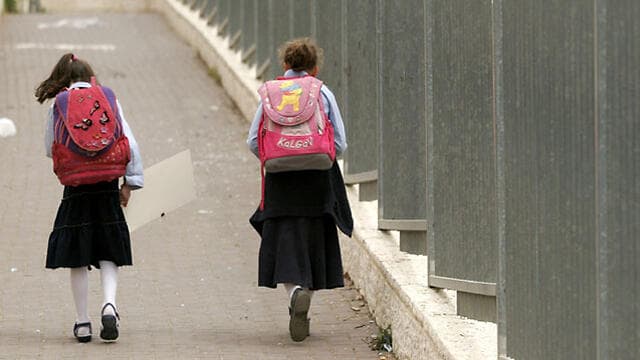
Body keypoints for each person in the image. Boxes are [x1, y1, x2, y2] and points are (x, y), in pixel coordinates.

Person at [246, 38, 353, 342]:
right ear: (315, 67)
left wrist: (279, 157)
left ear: (285, 65)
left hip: (280, 182)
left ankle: (294, 293)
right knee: (314, 242)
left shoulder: (271, 93)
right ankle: (305, 296)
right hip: (317, 181)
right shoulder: (323, 92)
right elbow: (340, 144)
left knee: (283, 241)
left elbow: (254, 140)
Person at [35, 53, 143, 343]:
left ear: (62, 79)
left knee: (78, 256)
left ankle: (82, 323)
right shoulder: (107, 97)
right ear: (90, 75)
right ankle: (109, 305)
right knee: (109, 250)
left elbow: (49, 147)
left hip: (76, 188)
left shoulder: (59, 104)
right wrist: (130, 183)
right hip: (108, 185)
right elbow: (128, 141)